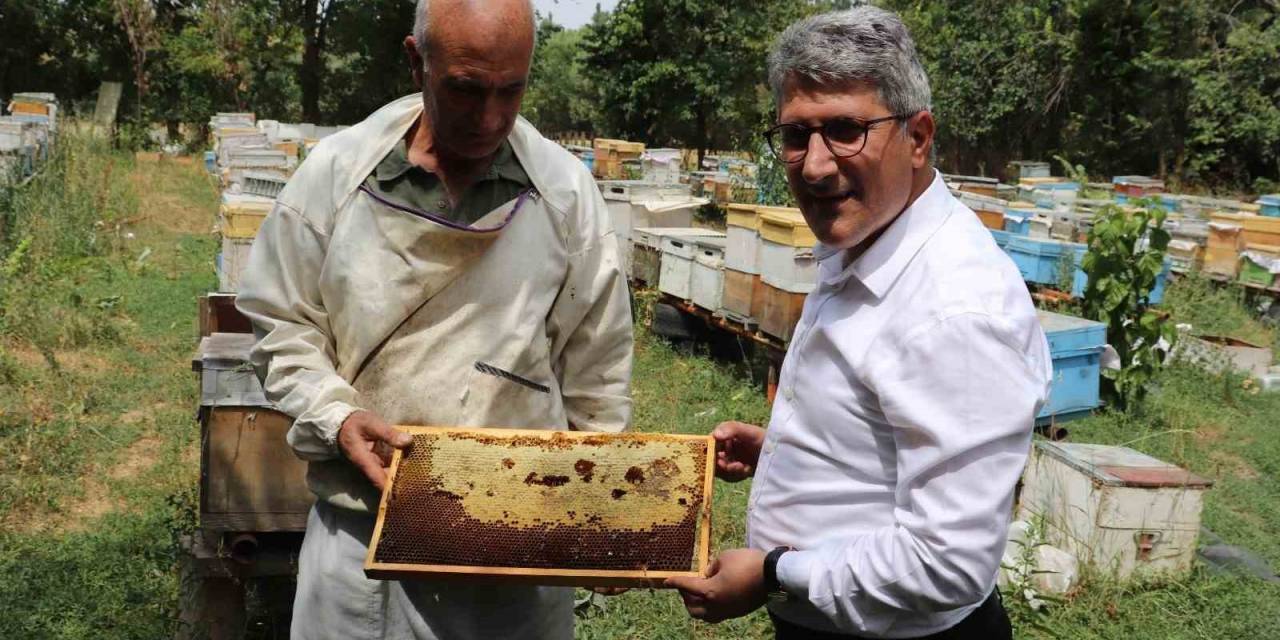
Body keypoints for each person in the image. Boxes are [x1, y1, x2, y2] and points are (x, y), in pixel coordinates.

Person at [235, 0, 634, 637]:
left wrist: (600, 507)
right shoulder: (337, 174)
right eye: (467, 90)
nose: (492, 117)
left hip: (516, 547)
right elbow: (282, 321)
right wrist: (337, 417)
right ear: (417, 62)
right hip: (361, 539)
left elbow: (599, 368)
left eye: (513, 90)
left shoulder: (564, 192)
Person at [666, 7, 1052, 639]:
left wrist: (772, 573)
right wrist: (794, 452)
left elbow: (947, 564)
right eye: (796, 136)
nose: (815, 165)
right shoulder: (869, 237)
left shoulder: (955, 309)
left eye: (846, 130)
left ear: (918, 137)